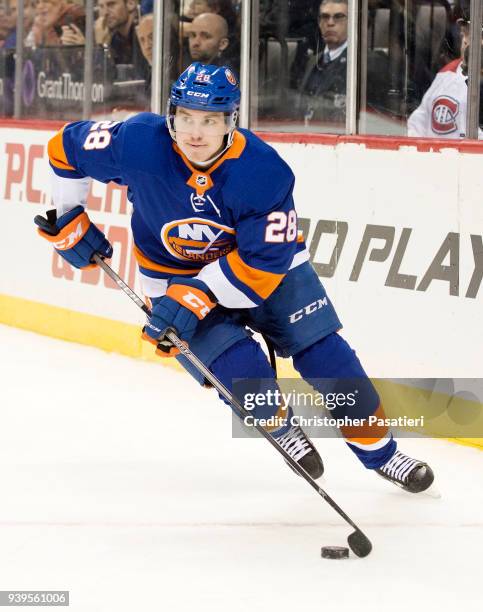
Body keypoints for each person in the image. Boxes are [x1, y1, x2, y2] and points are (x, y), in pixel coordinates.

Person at [35, 62, 434, 493]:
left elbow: (263, 264)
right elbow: (64, 148)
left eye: (209, 120)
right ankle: (280, 427)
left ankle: (385, 455)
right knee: (244, 374)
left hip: (268, 271)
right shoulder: (137, 143)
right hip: (171, 274)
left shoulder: (262, 171)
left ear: (231, 121)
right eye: (185, 117)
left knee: (330, 360)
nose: (195, 132)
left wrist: (198, 295)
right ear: (170, 115)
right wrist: (67, 213)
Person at [298, 0, 389, 126]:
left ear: (352, 22)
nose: (330, 23)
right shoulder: (312, 61)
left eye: (339, 17)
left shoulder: (367, 62)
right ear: (319, 23)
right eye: (325, 17)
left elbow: (376, 117)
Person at [408, 15, 483, 139]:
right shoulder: (448, 72)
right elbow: (420, 118)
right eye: (464, 35)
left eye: (473, 36)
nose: (465, 41)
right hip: (435, 155)